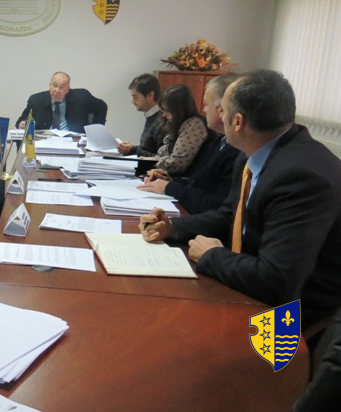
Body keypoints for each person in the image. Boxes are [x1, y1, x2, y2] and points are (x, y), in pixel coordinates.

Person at [140, 70, 341, 332]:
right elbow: (230, 215)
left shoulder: (301, 176)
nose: (216, 115)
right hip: (252, 286)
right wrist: (173, 227)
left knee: (173, 331)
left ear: (237, 121)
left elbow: (277, 280)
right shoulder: (254, 152)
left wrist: (212, 256)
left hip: (297, 318)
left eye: (222, 110)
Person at [138, 74, 243, 213]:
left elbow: (216, 205)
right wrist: (170, 181)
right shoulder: (220, 141)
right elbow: (198, 183)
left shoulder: (237, 150)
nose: (204, 110)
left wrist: (170, 187)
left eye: (206, 105)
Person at [15, 71, 107, 132]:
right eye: (54, 85)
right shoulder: (36, 100)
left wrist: (95, 130)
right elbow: (20, 121)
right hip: (46, 142)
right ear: (49, 85)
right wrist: (21, 124)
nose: (57, 90)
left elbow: (102, 106)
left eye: (61, 87)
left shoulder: (81, 97)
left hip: (73, 142)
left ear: (67, 89)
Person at [150, 85, 208, 176]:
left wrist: (153, 165)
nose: (164, 115)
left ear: (179, 110)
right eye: (162, 110)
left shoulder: (194, 124)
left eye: (167, 111)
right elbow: (164, 153)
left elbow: (177, 163)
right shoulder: (178, 125)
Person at [118, 73, 167, 156]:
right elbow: (148, 149)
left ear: (150, 95)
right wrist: (131, 149)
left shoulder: (162, 121)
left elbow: (161, 158)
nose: (133, 101)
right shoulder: (151, 117)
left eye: (136, 97)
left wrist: (132, 150)